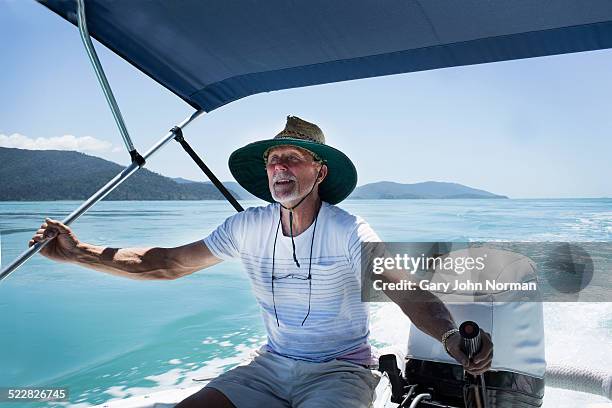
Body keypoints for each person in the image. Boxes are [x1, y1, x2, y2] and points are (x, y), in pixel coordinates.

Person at [31, 116, 493, 408]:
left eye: (292, 158)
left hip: (340, 371)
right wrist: (79, 253)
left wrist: (450, 335)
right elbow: (167, 263)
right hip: (270, 366)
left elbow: (402, 287)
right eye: (273, 161)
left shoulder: (348, 229)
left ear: (320, 171)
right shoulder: (245, 227)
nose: (279, 168)